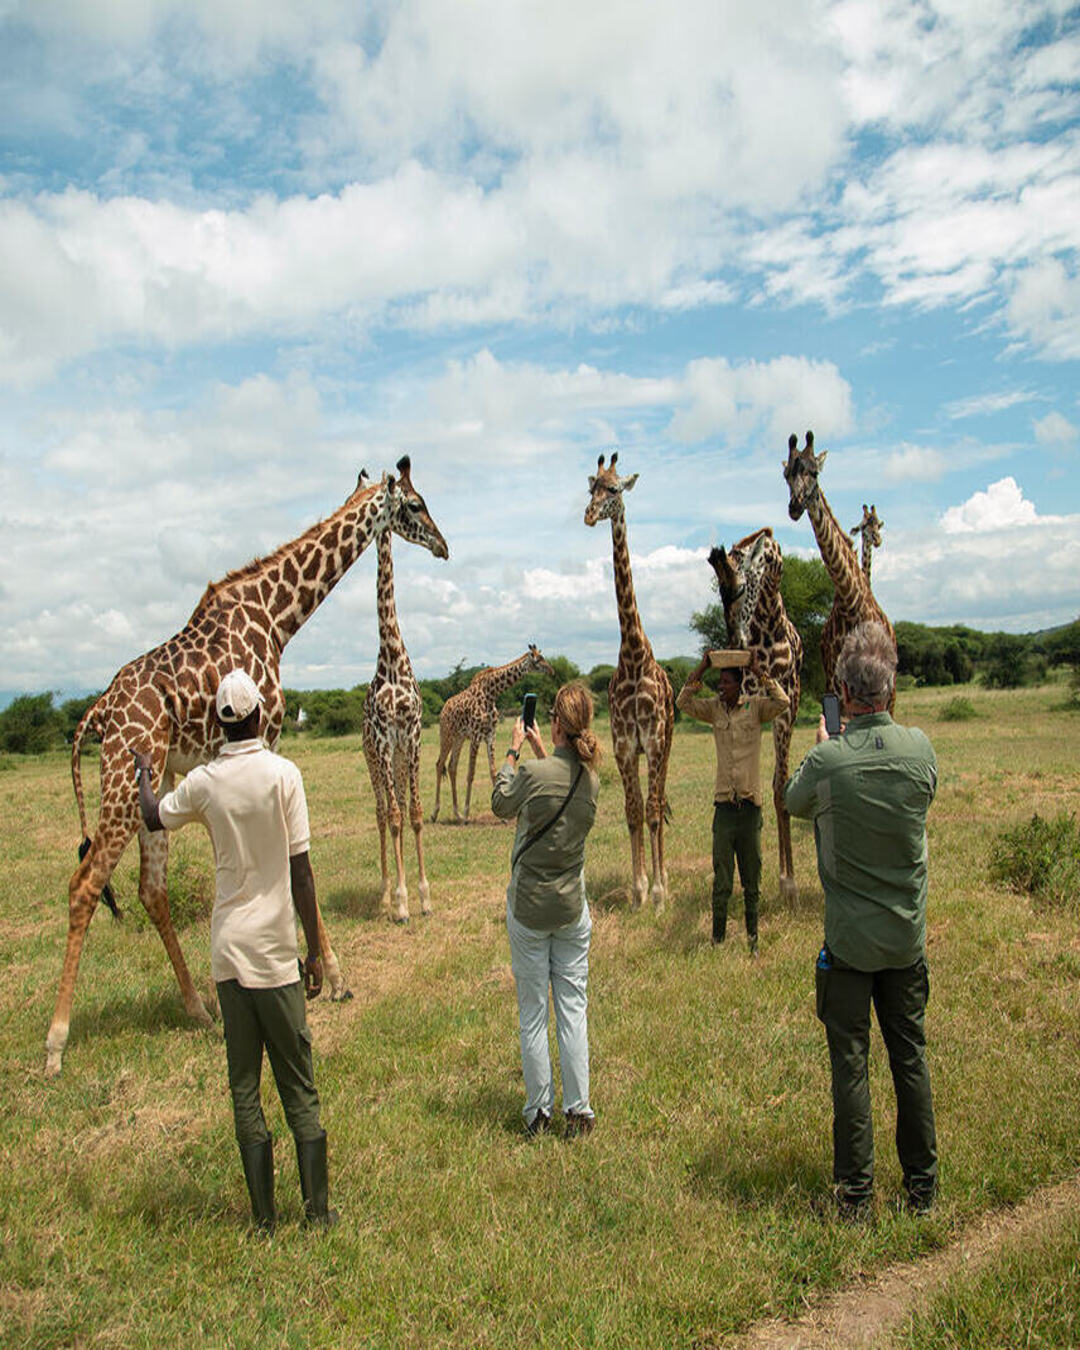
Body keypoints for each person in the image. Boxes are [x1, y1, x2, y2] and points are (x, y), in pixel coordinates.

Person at [133, 668, 336, 1234]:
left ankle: (263, 1219)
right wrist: (315, 952)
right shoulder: (283, 776)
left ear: (219, 722)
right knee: (299, 1084)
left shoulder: (203, 781)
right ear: (259, 716)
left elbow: (153, 814)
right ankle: (317, 1213)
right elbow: (302, 873)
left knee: (244, 1087)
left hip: (228, 957)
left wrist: (145, 773)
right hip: (275, 956)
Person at [785, 622, 938, 1220]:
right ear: (891, 689)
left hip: (848, 944)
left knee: (850, 1067)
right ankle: (922, 1190)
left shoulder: (827, 760)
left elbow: (794, 802)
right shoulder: (921, 748)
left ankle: (855, 1197)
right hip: (905, 938)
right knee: (910, 1057)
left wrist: (826, 743)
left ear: (844, 693)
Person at [492, 683, 602, 1138]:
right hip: (571, 907)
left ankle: (539, 1111)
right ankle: (579, 1110)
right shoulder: (592, 780)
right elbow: (563, 777)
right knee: (573, 1007)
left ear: (554, 723)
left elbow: (501, 803)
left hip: (530, 909)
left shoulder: (533, 775)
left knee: (534, 1011)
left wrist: (514, 752)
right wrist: (544, 748)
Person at [676, 652, 789, 952]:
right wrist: (702, 667)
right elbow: (682, 703)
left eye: (727, 682)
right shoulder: (713, 710)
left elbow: (783, 702)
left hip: (750, 808)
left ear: (740, 684)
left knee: (752, 879)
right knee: (722, 880)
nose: (721, 687)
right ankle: (718, 939)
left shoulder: (755, 708)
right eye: (720, 682)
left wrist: (759, 671)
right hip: (724, 809)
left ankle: (753, 938)